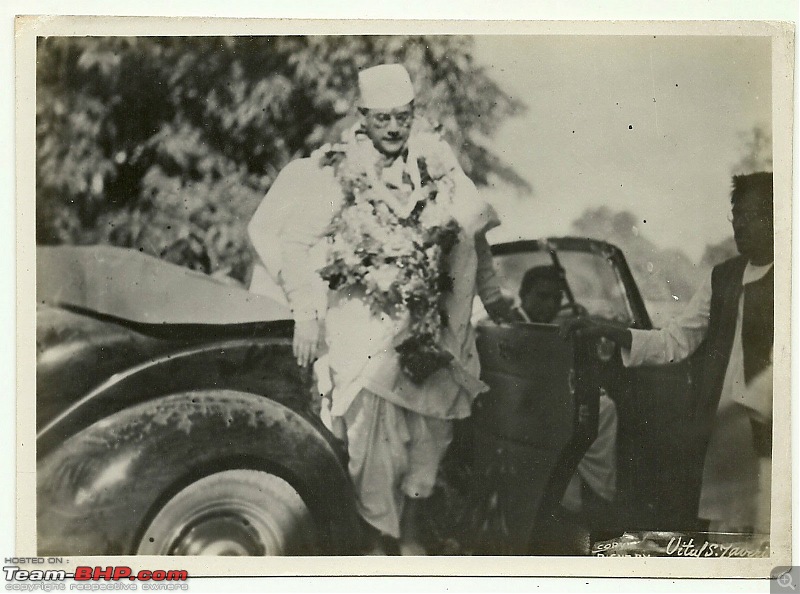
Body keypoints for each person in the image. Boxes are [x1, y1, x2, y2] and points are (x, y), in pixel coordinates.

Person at [248, 64, 510, 555]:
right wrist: (306, 312)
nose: (393, 127)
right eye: (383, 118)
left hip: (427, 322)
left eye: (403, 117)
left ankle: (409, 533)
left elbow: (473, 236)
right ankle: (373, 539)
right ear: (364, 117)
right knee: (372, 436)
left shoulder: (438, 168)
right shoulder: (335, 173)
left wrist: (493, 297)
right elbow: (295, 242)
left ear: (414, 117)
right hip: (361, 324)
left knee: (430, 430)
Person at [564, 171, 774, 534]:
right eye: (735, 216)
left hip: (776, 432)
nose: (740, 226)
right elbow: (674, 342)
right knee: (725, 533)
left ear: (777, 216)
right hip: (725, 432)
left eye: (750, 216)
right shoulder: (722, 276)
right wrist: (607, 330)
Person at [513, 265, 618, 537]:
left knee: (601, 405)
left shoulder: (545, 325)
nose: (549, 305)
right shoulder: (515, 324)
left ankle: (583, 494)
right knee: (603, 410)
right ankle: (593, 494)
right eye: (541, 296)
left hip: (544, 399)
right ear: (523, 295)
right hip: (525, 406)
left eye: (555, 299)